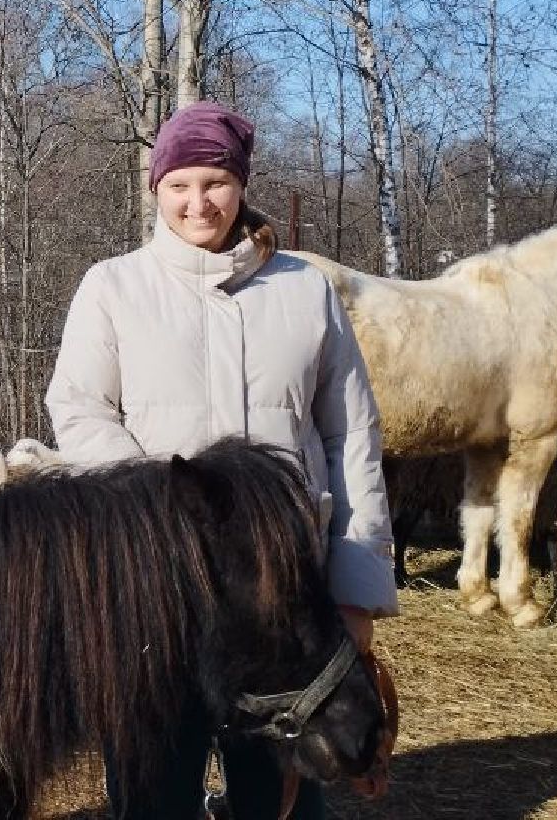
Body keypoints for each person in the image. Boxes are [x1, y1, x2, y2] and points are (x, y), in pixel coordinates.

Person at [44, 101, 396, 820]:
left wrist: (357, 589)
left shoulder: (304, 290)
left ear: (241, 186)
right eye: (179, 185)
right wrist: (162, 510)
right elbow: (79, 409)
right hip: (157, 590)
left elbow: (351, 435)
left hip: (280, 598)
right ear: (156, 189)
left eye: (215, 183)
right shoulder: (114, 287)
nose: (197, 203)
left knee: (281, 801)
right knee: (153, 793)